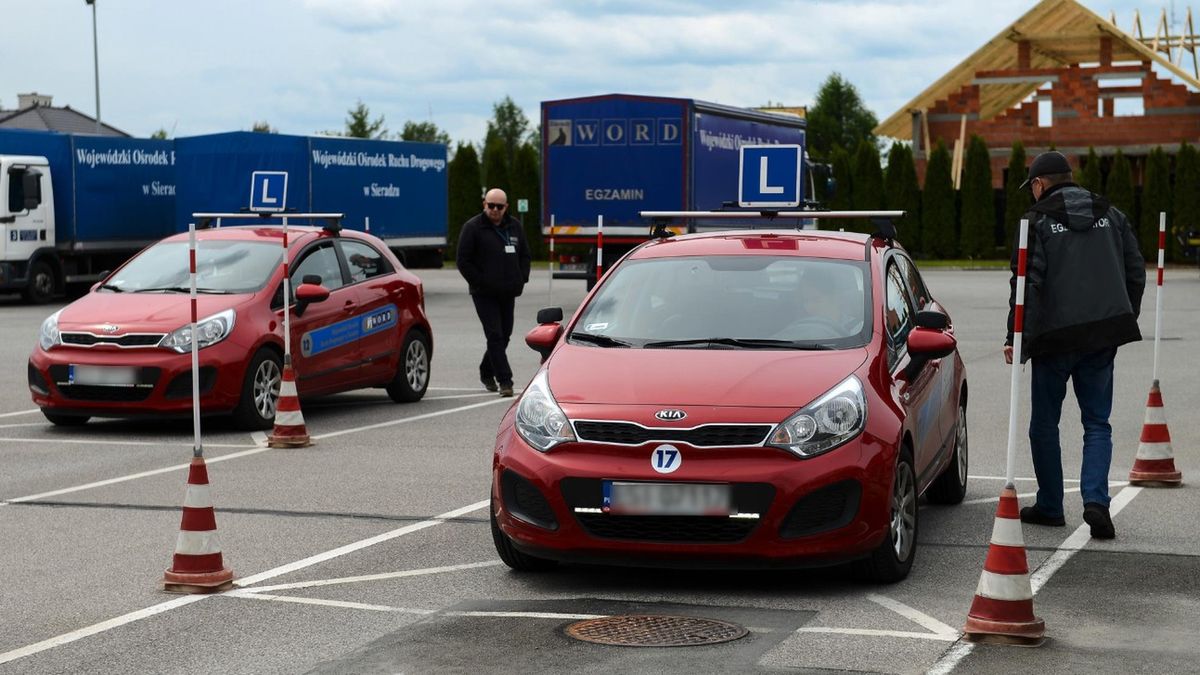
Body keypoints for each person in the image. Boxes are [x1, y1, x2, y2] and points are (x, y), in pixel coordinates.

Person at [1004, 151, 1145, 540]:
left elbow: (1026, 284)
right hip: (1102, 335)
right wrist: (1122, 318)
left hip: (1055, 339)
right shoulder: (1112, 215)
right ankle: (1096, 503)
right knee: (1097, 422)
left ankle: (1050, 505)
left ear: (1039, 184)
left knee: (1044, 425)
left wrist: (1016, 337)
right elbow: (1136, 272)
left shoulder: (1035, 223)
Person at [457, 188, 532, 397]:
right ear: (484, 204)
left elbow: (525, 255)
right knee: (495, 335)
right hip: (484, 293)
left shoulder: (514, 226)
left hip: (508, 291)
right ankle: (505, 381)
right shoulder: (473, 228)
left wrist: (521, 278)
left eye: (500, 206)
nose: (495, 210)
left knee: (505, 335)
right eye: (491, 205)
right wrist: (480, 282)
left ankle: (486, 370)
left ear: (506, 207)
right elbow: (463, 260)